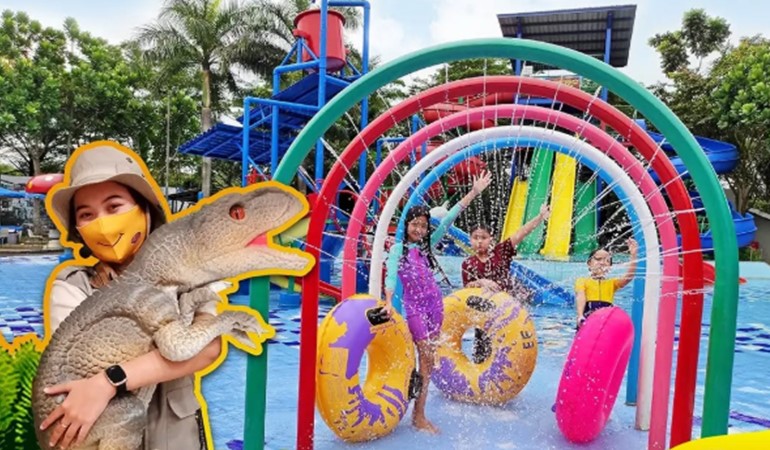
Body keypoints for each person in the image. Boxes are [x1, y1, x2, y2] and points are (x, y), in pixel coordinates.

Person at [39, 142, 221, 450]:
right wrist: (174, 346)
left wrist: (109, 380)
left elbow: (207, 348)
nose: (102, 223)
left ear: (145, 209)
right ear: (78, 229)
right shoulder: (72, 286)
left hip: (177, 437)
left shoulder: (189, 275)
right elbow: (78, 367)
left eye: (114, 207)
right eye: (86, 214)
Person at [383, 171, 491, 434]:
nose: (419, 229)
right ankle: (418, 416)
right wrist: (387, 302)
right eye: (415, 224)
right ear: (407, 224)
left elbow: (451, 215)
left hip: (435, 306)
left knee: (429, 361)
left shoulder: (427, 247)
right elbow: (390, 277)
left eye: (423, 225)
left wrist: (474, 192)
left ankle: (417, 412)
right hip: (415, 310)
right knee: (426, 357)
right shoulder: (398, 249)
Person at [461, 203, 551, 363]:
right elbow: (466, 288)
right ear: (470, 240)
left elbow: (521, 233)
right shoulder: (468, 264)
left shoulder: (501, 252)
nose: (479, 241)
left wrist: (540, 217)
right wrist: (481, 281)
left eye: (483, 238)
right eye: (475, 238)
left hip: (506, 309)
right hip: (484, 312)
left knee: (507, 348)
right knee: (482, 351)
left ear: (491, 239)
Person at [575, 238, 639, 329]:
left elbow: (628, 277)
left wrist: (634, 255)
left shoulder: (612, 283)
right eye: (598, 259)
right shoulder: (582, 281)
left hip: (606, 321)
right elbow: (581, 296)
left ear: (610, 267)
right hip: (587, 319)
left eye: (607, 261)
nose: (602, 263)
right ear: (589, 263)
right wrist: (580, 315)